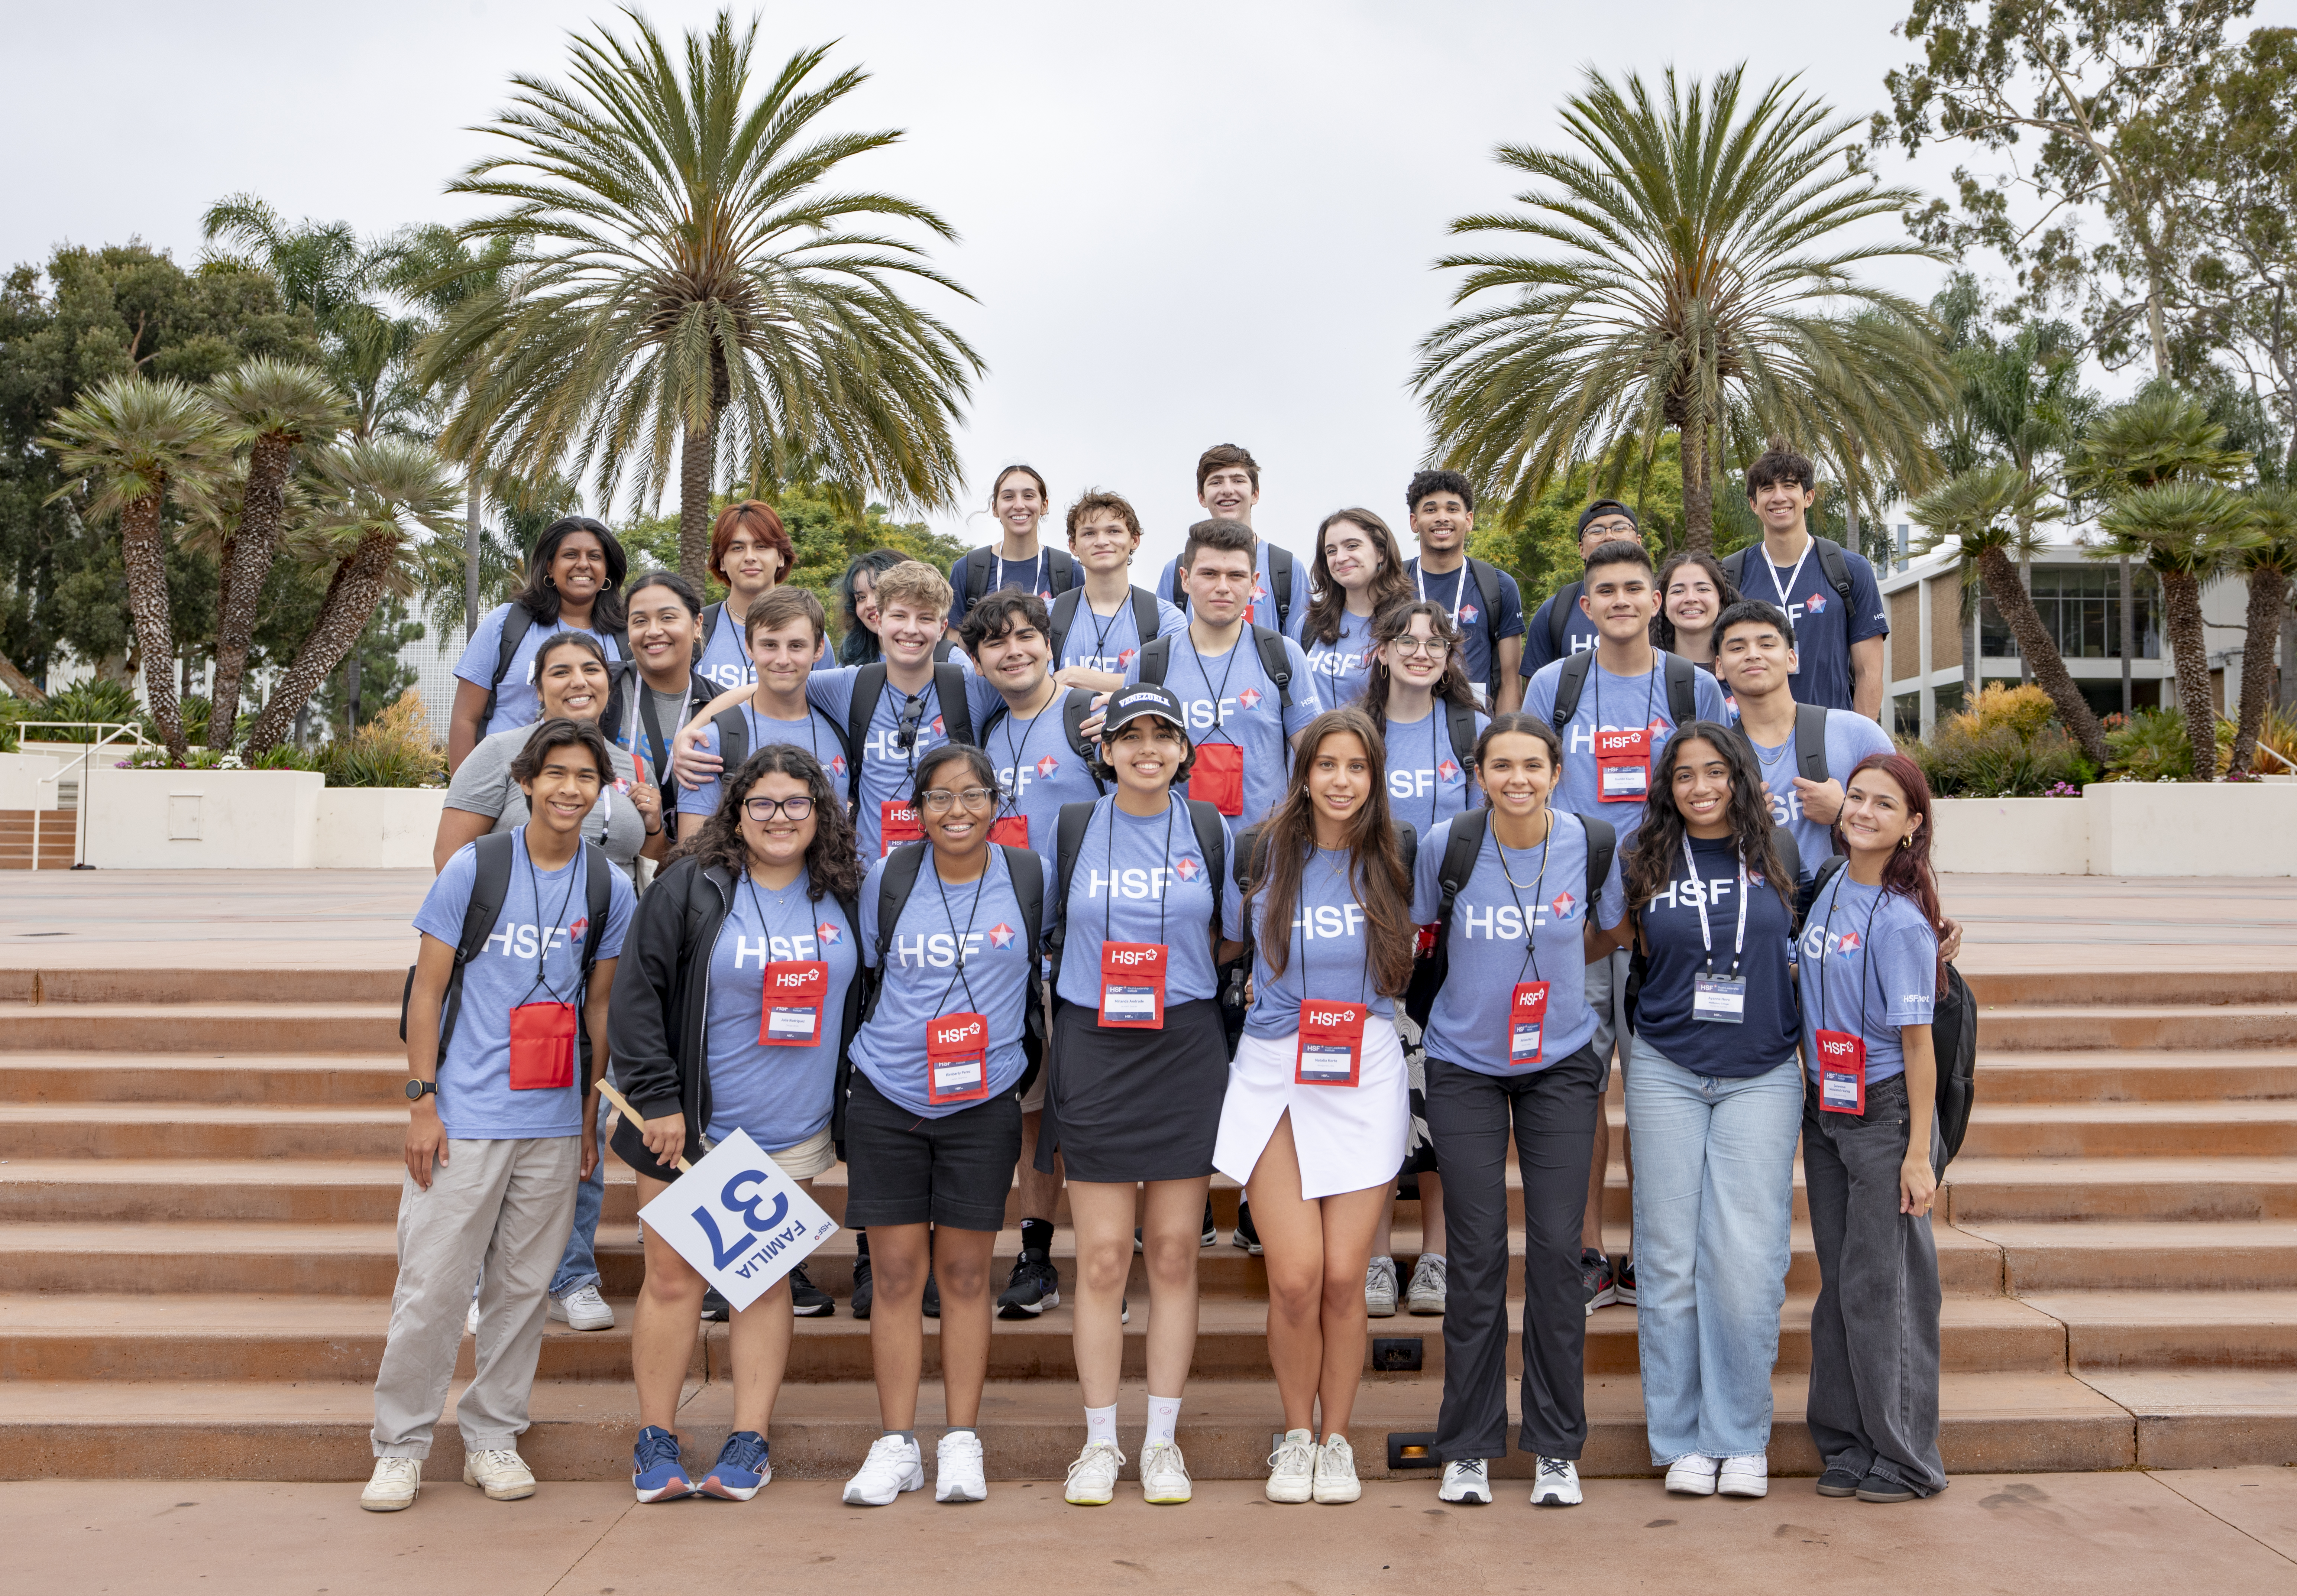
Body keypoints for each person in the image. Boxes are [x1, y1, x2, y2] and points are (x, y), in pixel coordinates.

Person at [360, 717, 635, 1513]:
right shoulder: (475, 869)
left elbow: (600, 1007)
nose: (569, 790)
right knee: (432, 1288)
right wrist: (422, 1104)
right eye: (555, 774)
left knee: (521, 1293)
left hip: (552, 1124)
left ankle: (492, 1435)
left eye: (585, 778)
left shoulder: (605, 887)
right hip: (467, 1118)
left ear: (601, 790)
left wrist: (587, 1120)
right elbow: (427, 991)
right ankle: (400, 1446)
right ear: (525, 781)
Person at [606, 745, 865, 1503]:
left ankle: (749, 1439)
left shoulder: (844, 891)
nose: (779, 819)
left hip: (792, 1129)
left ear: (820, 814)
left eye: (795, 804)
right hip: (687, 1129)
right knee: (673, 1277)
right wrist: (658, 1101)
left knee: (761, 1281)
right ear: (737, 812)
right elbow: (637, 996)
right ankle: (656, 1437)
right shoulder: (691, 883)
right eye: (762, 804)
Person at [1412, 714, 1627, 1510]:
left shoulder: (1591, 842)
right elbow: (1413, 929)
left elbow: (1608, 930)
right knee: (1473, 1260)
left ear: (1556, 769)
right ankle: (1466, 1447)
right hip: (1464, 1064)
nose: (1517, 779)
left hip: (1563, 1064)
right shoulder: (1448, 845)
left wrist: (1556, 969)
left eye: (1532, 765)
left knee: (1555, 1257)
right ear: (1479, 772)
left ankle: (1555, 1448)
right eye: (1501, 765)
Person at [1215, 707, 1417, 1506]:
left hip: (1362, 1072)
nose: (1340, 780)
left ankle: (1338, 1441)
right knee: (1294, 1279)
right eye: (1326, 765)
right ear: (1304, 774)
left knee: (1342, 1279)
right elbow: (1222, 946)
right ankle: (1295, 1436)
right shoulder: (1263, 854)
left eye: (1356, 767)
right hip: (1274, 1071)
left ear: (1374, 778)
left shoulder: (1397, 863)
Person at [1523, 540, 1728, 1314]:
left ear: (1656, 602)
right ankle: (1585, 1252)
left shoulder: (1691, 685)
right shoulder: (1555, 684)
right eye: (1603, 589)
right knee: (1576, 1091)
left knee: (1657, 1090)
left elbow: (1721, 788)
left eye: (1632, 588)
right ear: (1586, 605)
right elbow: (1524, 785)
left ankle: (1653, 1252)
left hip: (1667, 921)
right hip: (1574, 923)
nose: (1619, 600)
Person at [1041, 684, 1234, 1506]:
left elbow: (1229, 937)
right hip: (1094, 1044)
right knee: (1103, 1258)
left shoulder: (1210, 826)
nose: (1147, 750)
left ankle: (1160, 1442)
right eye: (1131, 737)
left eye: (1163, 736)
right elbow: (1051, 929)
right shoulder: (1076, 826)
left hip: (1184, 1045)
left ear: (1184, 750)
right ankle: (1099, 1443)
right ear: (1107, 750)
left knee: (1175, 1253)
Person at [839, 744, 1045, 1508]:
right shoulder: (890, 881)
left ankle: (960, 1441)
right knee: (894, 1277)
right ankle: (897, 1445)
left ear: (997, 802)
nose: (956, 811)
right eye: (939, 797)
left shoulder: (1028, 878)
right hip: (889, 1095)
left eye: (972, 795)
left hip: (982, 1099)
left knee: (964, 1276)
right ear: (917, 807)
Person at [1620, 724, 1802, 1502]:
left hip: (1761, 1071)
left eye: (1714, 772)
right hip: (1664, 1066)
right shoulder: (1642, 857)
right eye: (1684, 775)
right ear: (1668, 785)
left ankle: (1739, 1436)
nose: (1699, 787)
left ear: (1739, 777)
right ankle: (1681, 1437)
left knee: (1747, 1258)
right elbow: (1618, 945)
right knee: (1666, 1258)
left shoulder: (1782, 853)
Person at [1800, 752, 1947, 1504]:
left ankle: (1906, 1456)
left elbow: (1919, 1047)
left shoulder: (1900, 923)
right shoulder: (1827, 888)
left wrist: (1917, 1155)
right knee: (1841, 1284)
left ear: (1911, 825)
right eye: (1855, 798)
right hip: (1825, 1109)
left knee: (1886, 1288)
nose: (1861, 812)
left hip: (1883, 1116)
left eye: (1882, 804)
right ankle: (1848, 1439)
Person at [957, 591, 1107, 1321]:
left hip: (1091, 948)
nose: (1013, 650)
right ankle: (1038, 1256)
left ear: (1049, 644)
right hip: (1008, 951)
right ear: (978, 659)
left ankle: (1109, 1265)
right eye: (996, 643)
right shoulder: (980, 728)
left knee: (1103, 1111)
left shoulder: (1088, 719)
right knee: (1032, 1113)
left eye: (1026, 637)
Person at [1358, 599, 1489, 1318]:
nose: (1419, 651)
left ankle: (1435, 1255)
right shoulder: (1357, 731)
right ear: (1378, 651)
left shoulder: (1472, 729)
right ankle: (1376, 1255)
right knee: (1377, 1093)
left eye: (1434, 642)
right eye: (1404, 640)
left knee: (1443, 1095)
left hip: (1454, 944)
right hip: (1368, 940)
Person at [677, 561, 980, 864]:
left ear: (943, 628)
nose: (911, 629)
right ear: (878, 621)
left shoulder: (969, 686)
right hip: (871, 879)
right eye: (899, 616)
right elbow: (773, 684)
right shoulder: (850, 685)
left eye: (925, 618)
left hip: (953, 869)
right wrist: (691, 733)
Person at [1124, 518, 1318, 828]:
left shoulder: (1283, 656)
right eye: (1209, 574)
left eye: (1236, 576)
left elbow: (1314, 755)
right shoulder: (1149, 663)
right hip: (1174, 851)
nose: (1223, 587)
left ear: (1254, 583)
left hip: (1265, 853)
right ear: (1185, 580)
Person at [436, 632, 666, 883]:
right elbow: (451, 856)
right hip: (520, 919)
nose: (579, 682)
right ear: (539, 691)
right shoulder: (499, 752)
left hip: (615, 920)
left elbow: (653, 868)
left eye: (591, 670)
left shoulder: (635, 767)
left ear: (608, 684)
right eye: (561, 673)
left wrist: (654, 827)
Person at [1712, 601, 1895, 888]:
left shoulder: (1857, 733)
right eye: (1737, 648)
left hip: (1849, 918)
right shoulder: (1715, 758)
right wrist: (1728, 825)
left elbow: (1909, 824)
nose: (1752, 655)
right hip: (1758, 921)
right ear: (1719, 667)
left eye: (1766, 644)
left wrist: (1842, 813)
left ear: (1791, 659)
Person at [1718, 445, 1888, 717]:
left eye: (1789, 486)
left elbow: (1869, 672)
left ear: (1808, 497)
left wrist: (1860, 744)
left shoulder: (1849, 570)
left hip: (1829, 736)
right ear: (1753, 503)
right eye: (1767, 489)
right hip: (1753, 741)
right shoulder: (1730, 575)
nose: (1779, 497)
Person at [450, 516, 631, 772]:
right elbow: (465, 719)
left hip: (596, 789)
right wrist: (464, 796)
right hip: (505, 785)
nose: (583, 564)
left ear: (607, 569)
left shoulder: (626, 634)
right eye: (570, 555)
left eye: (595, 556)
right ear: (549, 567)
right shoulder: (506, 623)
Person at [674, 588, 853, 832]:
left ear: (819, 649)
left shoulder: (842, 729)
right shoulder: (714, 742)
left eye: (796, 646)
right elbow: (692, 852)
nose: (782, 659)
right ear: (749, 647)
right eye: (769, 645)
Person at [1403, 469, 1525, 711]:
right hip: (1409, 719)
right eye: (1430, 509)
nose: (1442, 518)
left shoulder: (1498, 586)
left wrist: (1501, 743)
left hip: (1475, 726)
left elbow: (1511, 681)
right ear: (1414, 522)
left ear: (1468, 520)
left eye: (1452, 509)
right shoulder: (1392, 584)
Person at [1151, 444, 1301, 636]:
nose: (1228, 490)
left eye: (1238, 480)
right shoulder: (1175, 572)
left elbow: (1301, 652)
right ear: (1202, 497)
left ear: (1255, 494)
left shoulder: (1287, 570)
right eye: (1216, 482)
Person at [1047, 488, 1186, 692]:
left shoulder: (1166, 619)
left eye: (1114, 531)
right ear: (1073, 546)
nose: (1102, 541)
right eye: (1089, 533)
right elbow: (1038, 687)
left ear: (1135, 540)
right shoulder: (1048, 615)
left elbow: (1175, 685)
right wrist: (1139, 684)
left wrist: (1075, 676)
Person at [622, 572, 719, 849]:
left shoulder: (722, 707)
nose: (653, 631)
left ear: (698, 624)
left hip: (689, 867)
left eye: (667, 618)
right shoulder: (604, 688)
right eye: (640, 621)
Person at [1299, 509, 1414, 712]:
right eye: (1331, 551)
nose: (1341, 558)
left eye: (1352, 546)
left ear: (1381, 552)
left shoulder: (1409, 624)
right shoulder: (1310, 623)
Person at [946, 464, 1082, 633]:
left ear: (1044, 506)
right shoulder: (968, 569)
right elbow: (957, 648)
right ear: (995, 508)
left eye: (1029, 496)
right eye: (1009, 497)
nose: (1019, 505)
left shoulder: (1068, 571)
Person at [1520, 503, 1643, 675]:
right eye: (1596, 531)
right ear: (1581, 550)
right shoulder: (1553, 612)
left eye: (1620, 528)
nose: (1609, 536)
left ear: (1639, 542)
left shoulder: (1668, 607)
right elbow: (1538, 696)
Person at [694, 501, 797, 691]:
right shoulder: (695, 629)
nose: (750, 557)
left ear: (781, 557)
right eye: (737, 548)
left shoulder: (808, 631)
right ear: (722, 561)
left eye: (762, 546)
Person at [1651, 552, 1739, 673]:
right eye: (1678, 591)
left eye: (1703, 589)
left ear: (1721, 602)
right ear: (1664, 605)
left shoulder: (1741, 669)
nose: (1691, 598)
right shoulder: (1647, 671)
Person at [835, 549, 906, 667]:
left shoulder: (944, 658)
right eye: (861, 598)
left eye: (879, 592)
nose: (869, 604)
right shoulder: (849, 666)